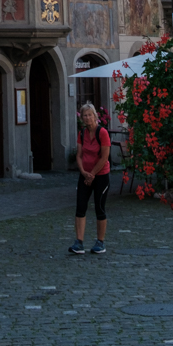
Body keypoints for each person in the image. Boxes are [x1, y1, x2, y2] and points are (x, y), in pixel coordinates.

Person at [69, 101, 110, 254]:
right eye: (84, 115)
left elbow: (104, 157)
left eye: (89, 115)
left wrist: (92, 174)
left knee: (99, 207)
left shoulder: (103, 133)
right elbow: (79, 155)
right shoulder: (82, 133)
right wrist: (84, 172)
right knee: (80, 207)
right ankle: (79, 242)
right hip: (85, 175)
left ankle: (100, 241)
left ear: (95, 116)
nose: (87, 118)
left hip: (101, 175)